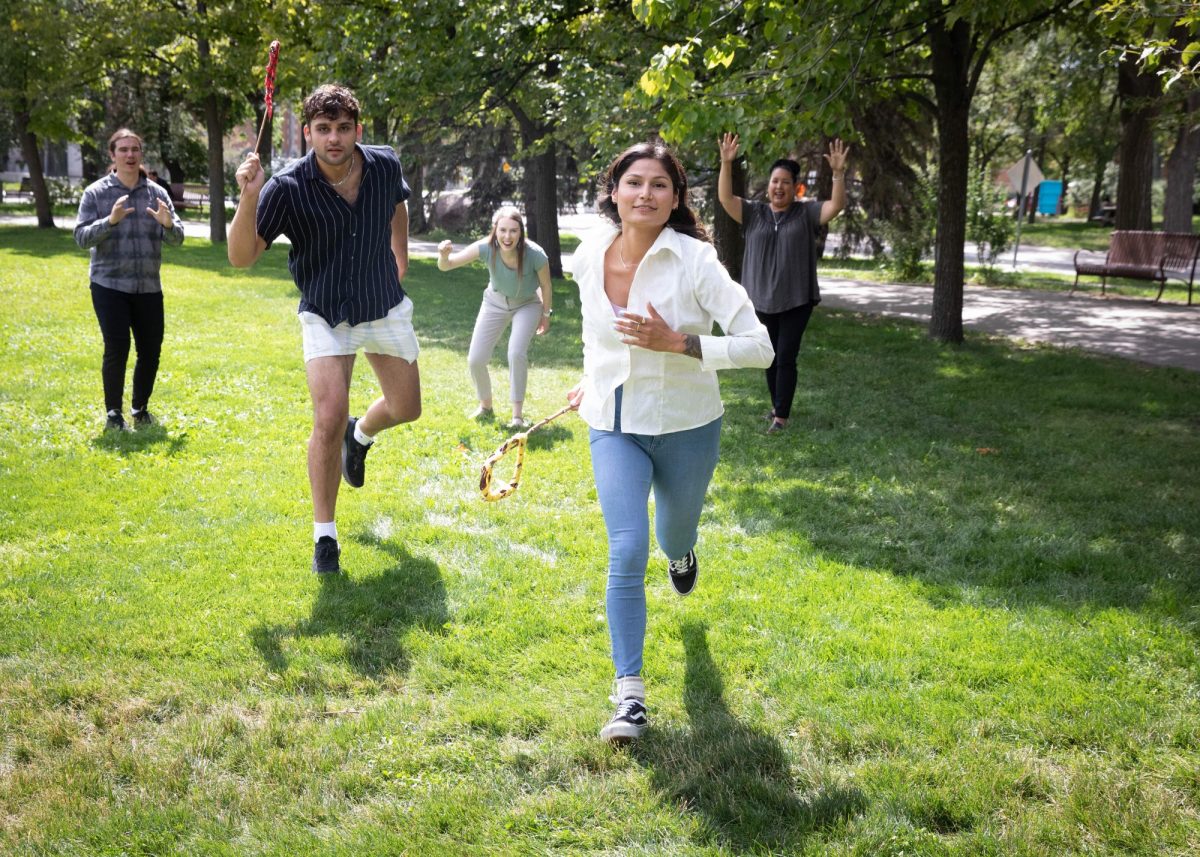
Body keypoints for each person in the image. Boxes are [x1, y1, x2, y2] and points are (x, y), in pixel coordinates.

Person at [566, 142, 773, 743]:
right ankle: (629, 694)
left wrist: (678, 343)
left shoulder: (696, 261)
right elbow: (593, 337)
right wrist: (591, 380)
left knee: (671, 535)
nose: (646, 194)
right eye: (634, 182)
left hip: (687, 426)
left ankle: (682, 554)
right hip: (615, 426)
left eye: (660, 185)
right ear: (614, 191)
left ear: (676, 198)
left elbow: (761, 346)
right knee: (626, 549)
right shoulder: (588, 255)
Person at [228, 84, 421, 575]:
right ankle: (325, 538)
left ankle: (362, 434)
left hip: (382, 304)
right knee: (328, 414)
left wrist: (400, 252)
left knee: (406, 408)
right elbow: (242, 256)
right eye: (322, 129)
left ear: (358, 129)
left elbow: (398, 204)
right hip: (325, 312)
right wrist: (247, 199)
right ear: (309, 133)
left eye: (342, 128)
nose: (333, 138)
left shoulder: (384, 164)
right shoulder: (287, 187)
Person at [717, 134, 849, 434]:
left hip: (795, 300)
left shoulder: (805, 213)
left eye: (785, 182)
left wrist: (838, 174)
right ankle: (776, 407)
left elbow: (836, 206)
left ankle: (781, 416)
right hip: (760, 300)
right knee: (769, 356)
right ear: (769, 185)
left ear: (794, 187)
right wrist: (726, 163)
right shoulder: (754, 213)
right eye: (775, 181)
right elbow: (726, 198)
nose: (779, 186)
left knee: (786, 356)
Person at [74, 128, 184, 431]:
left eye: (135, 149)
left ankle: (140, 407)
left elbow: (179, 238)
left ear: (141, 153)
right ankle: (113, 414)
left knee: (151, 349)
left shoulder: (157, 194)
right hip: (109, 285)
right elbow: (81, 238)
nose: (130, 155)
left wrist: (168, 225)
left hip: (148, 286)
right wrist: (109, 221)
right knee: (117, 348)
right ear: (112, 155)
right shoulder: (96, 193)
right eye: (123, 149)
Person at [436, 206, 553, 429]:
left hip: (527, 304)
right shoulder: (485, 248)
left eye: (513, 231)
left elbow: (546, 286)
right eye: (503, 230)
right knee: (475, 359)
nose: (507, 236)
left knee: (516, 353)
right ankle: (485, 406)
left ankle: (517, 416)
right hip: (495, 303)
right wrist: (443, 255)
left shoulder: (535, 254)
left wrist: (546, 314)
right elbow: (447, 266)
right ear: (495, 230)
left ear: (521, 233)